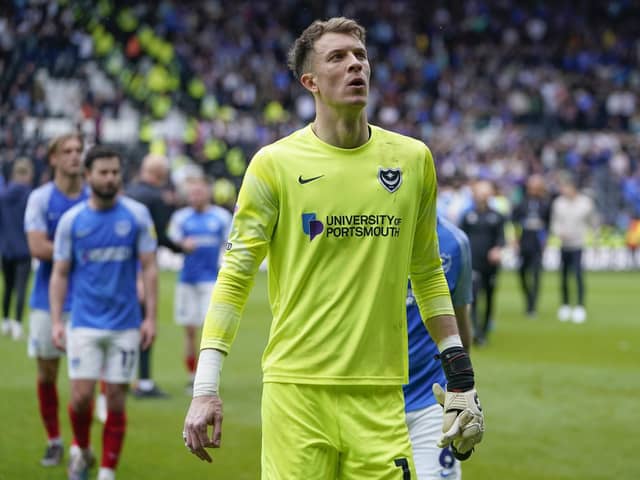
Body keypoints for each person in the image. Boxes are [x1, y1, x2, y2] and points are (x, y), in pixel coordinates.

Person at [183, 17, 484, 479]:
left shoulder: (412, 159)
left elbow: (426, 272)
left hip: (383, 396)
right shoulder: (274, 164)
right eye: (337, 57)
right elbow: (235, 276)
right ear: (311, 82)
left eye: (360, 56)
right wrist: (206, 386)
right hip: (296, 391)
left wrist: (459, 376)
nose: (354, 65)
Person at [50, 145, 158, 480]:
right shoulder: (72, 221)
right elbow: (61, 272)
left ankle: (107, 471)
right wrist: (57, 320)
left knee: (115, 400)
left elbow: (150, 267)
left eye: (115, 172)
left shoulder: (137, 215)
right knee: (81, 398)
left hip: (125, 324)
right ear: (87, 176)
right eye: (103, 172)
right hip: (84, 323)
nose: (111, 178)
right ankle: (82, 450)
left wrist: (150, 317)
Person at [24, 133, 89, 467]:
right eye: (67, 151)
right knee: (47, 374)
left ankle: (81, 445)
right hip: (45, 301)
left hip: (89, 303)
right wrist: (85, 253)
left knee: (85, 382)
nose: (75, 156)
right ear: (53, 158)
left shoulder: (96, 196)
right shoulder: (40, 199)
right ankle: (54, 440)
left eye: (79, 150)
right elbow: (36, 247)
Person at [405, 215, 474, 480]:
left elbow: (461, 330)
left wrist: (463, 389)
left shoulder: (454, 242)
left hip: (433, 399)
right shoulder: (372, 233)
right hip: (374, 400)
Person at [167, 176, 232, 392]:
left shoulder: (221, 217)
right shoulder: (181, 217)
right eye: (191, 193)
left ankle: (208, 377)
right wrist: (181, 245)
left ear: (207, 193)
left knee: (210, 331)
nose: (194, 197)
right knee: (190, 330)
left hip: (210, 281)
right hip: (187, 280)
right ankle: (191, 375)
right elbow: (172, 241)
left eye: (199, 192)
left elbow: (230, 243)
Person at [125, 153, 180, 398]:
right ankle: (145, 382)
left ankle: (119, 379)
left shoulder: (127, 192)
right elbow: (160, 237)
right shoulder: (155, 198)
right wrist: (183, 248)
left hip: (120, 268)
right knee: (146, 323)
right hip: (142, 268)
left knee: (123, 324)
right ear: (160, 175)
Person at [460, 180, 505, 346]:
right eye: (479, 192)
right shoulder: (467, 216)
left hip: (491, 266)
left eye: (485, 193)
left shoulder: (497, 216)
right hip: (473, 264)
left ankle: (485, 329)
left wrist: (498, 249)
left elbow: (502, 237)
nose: (482, 196)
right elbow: (461, 238)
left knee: (490, 298)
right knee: (473, 298)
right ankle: (476, 331)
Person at [550, 173, 598, 323]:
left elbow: (593, 222)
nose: (563, 190)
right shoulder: (558, 203)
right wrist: (559, 232)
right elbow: (554, 223)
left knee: (578, 275)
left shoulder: (586, 203)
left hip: (578, 244)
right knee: (563, 276)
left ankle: (580, 306)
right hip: (564, 244)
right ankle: (565, 305)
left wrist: (595, 239)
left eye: (565, 187)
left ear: (573, 187)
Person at [0, 157, 34, 340]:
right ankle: (17, 325)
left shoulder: (3, 196)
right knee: (21, 288)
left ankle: (4, 321)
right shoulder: (31, 196)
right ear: (27, 174)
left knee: (7, 286)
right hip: (24, 248)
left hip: (6, 249)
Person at [511, 174, 551, 317]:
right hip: (524, 242)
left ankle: (532, 305)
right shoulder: (522, 203)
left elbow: (548, 224)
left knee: (536, 274)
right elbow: (514, 222)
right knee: (521, 272)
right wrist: (515, 240)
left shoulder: (545, 204)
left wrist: (546, 240)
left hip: (537, 244)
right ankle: (528, 298)